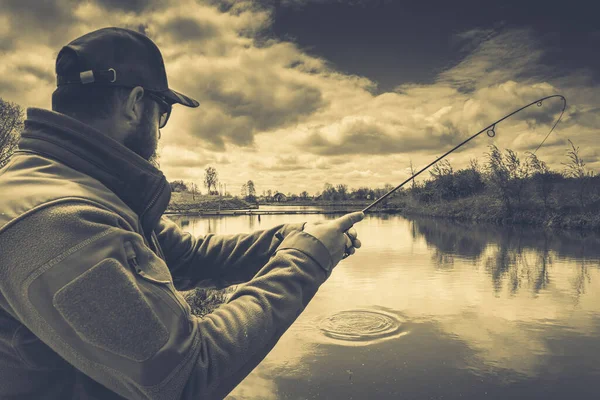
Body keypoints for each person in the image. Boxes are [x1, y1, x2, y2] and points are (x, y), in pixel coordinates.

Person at [0, 27, 363, 399]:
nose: (160, 130)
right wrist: (307, 260)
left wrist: (290, 237)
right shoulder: (58, 222)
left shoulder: (87, 189)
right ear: (136, 104)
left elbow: (187, 257)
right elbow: (187, 374)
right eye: (163, 112)